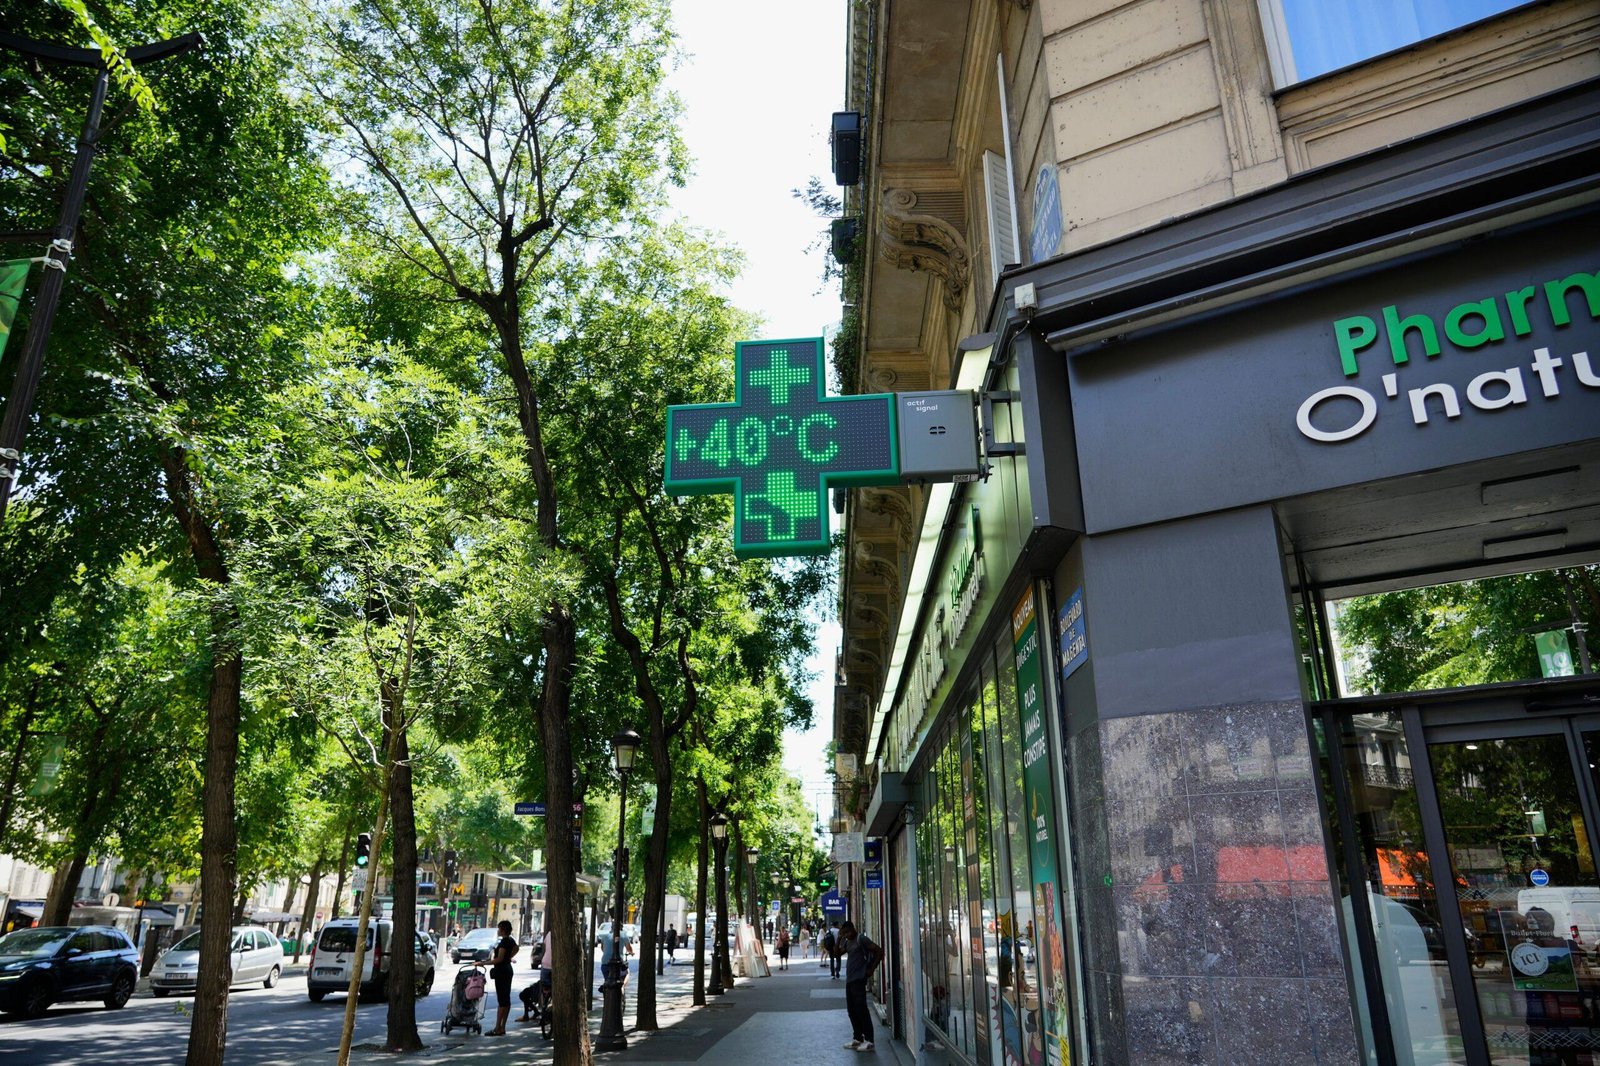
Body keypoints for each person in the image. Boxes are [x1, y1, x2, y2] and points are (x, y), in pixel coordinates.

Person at [839, 920, 884, 1053]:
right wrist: (839, 939)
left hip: (859, 979)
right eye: (844, 933)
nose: (847, 935)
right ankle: (858, 1037)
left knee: (862, 1009)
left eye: (848, 932)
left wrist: (872, 969)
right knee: (852, 1010)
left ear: (853, 929)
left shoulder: (861, 939)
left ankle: (869, 1040)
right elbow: (836, 954)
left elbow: (879, 951)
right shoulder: (847, 942)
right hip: (850, 979)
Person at [486, 919, 518, 1036]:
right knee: (506, 999)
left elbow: (499, 959)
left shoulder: (504, 942)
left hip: (502, 971)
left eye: (499, 929)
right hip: (507, 970)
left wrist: (483, 963)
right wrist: (509, 957)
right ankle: (502, 1027)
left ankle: (497, 1028)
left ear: (503, 930)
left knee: (502, 1000)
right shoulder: (511, 940)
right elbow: (516, 948)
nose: (498, 931)